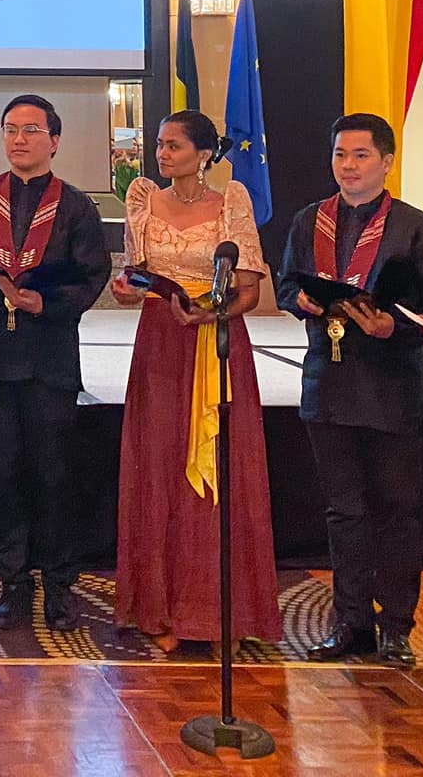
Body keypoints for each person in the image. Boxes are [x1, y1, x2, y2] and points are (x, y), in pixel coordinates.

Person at [276, 113, 423, 669]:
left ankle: (396, 627)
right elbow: (285, 283)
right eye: (339, 154)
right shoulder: (310, 220)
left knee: (396, 512)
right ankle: (350, 624)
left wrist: (392, 326)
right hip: (327, 382)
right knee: (343, 511)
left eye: (360, 155)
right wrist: (300, 300)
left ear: (386, 162)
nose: (348, 166)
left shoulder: (415, 227)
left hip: (391, 387)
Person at [110, 110, 280, 651]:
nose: (162, 154)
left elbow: (249, 291)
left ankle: (217, 611)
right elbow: (134, 279)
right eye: (160, 145)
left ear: (204, 154)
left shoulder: (231, 203)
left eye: (174, 146)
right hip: (159, 343)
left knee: (218, 464)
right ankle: (160, 608)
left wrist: (210, 311)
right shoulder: (142, 201)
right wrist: (126, 290)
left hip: (214, 342)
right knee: (159, 462)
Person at [0, 95, 109, 633]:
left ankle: (59, 584)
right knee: (0, 476)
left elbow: (93, 277)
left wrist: (46, 303)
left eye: (31, 130)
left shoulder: (76, 206)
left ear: (54, 141)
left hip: (48, 359)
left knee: (53, 476)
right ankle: (12, 583)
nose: (19, 139)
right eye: (10, 128)